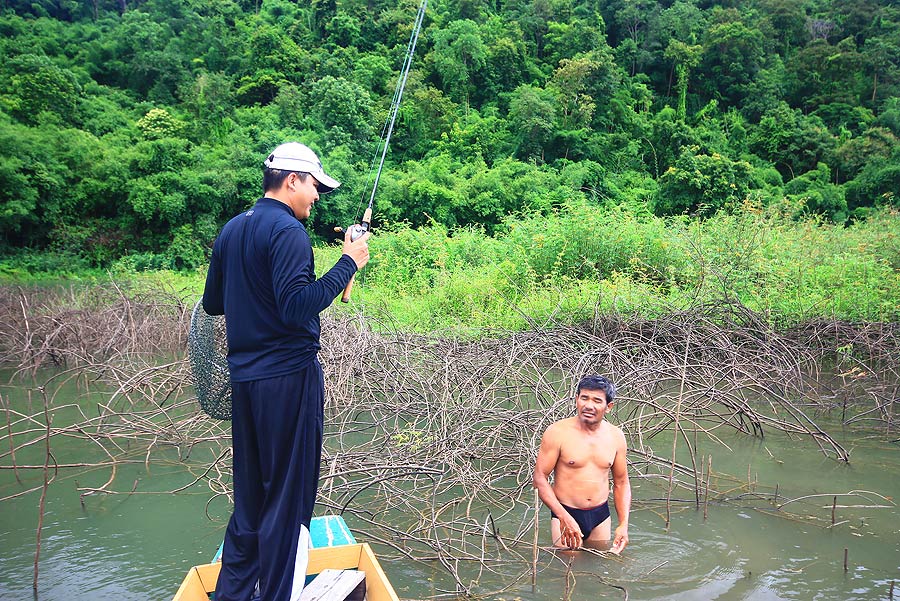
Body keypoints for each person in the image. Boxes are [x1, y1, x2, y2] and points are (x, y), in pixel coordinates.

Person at [202, 142, 371, 601]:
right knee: (288, 502)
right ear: (293, 180)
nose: (316, 196)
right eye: (315, 185)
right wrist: (348, 264)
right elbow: (297, 308)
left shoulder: (233, 229)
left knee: (252, 500)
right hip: (289, 380)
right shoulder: (289, 232)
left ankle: (232, 595)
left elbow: (213, 303)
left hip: (246, 383)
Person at [533, 375, 631, 552]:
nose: (589, 405)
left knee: (598, 568)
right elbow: (540, 478)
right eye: (584, 398)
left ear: (608, 407)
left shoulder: (616, 436)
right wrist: (564, 517)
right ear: (577, 399)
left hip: (600, 514)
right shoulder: (557, 432)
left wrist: (623, 524)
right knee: (569, 570)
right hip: (566, 511)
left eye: (597, 400)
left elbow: (622, 483)